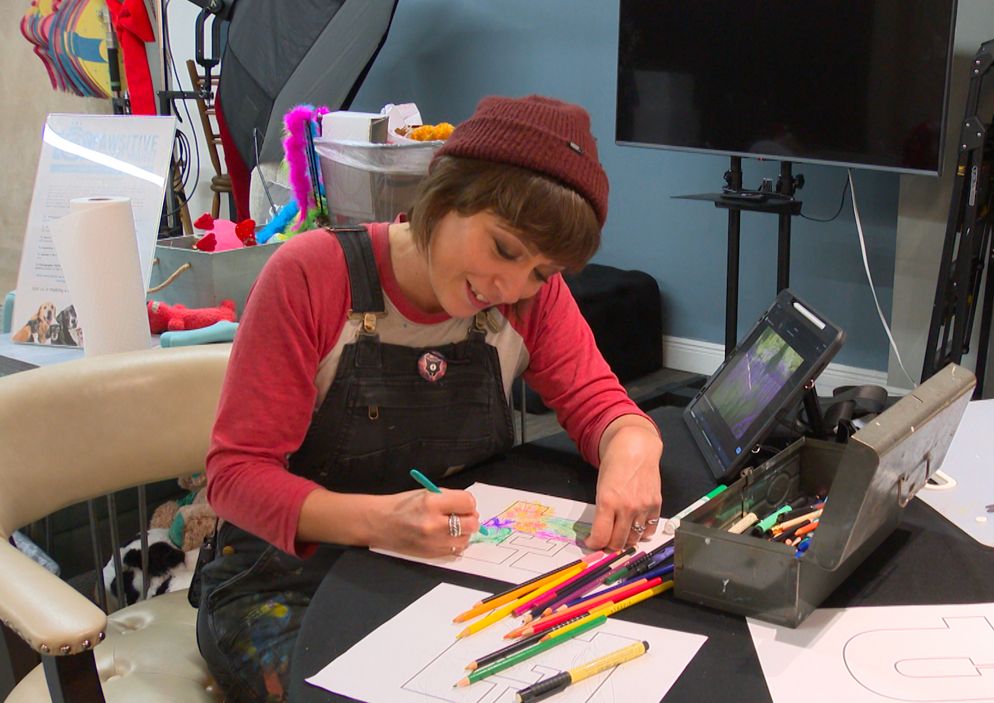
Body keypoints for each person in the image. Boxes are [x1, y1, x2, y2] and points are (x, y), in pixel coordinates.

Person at [195, 95, 663, 702]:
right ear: (446, 195)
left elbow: (602, 405)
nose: (510, 287)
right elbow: (234, 476)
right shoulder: (312, 275)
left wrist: (633, 447)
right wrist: (380, 522)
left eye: (541, 271)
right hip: (287, 585)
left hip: (442, 575)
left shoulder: (530, 299)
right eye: (503, 248)